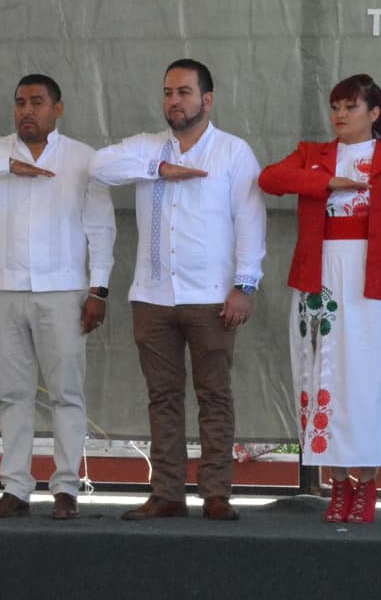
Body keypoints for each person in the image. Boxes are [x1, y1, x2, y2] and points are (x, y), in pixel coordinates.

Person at [91, 60, 267, 522]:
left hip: (212, 296)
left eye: (185, 92)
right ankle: (167, 493)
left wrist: (244, 286)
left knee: (215, 394)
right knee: (162, 397)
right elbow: (99, 165)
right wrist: (159, 168)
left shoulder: (232, 152)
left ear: (207, 100)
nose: (175, 101)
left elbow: (251, 221)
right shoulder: (147, 148)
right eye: (169, 92)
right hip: (152, 295)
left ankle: (216, 492)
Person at [0, 74, 116, 520]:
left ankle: (66, 488)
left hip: (63, 291)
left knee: (66, 394)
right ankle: (16, 486)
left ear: (58, 108)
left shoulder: (82, 159)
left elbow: (101, 229)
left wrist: (99, 289)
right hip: (3, 291)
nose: (27, 111)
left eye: (37, 102)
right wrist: (7, 165)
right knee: (12, 394)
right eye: (20, 102)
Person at [259, 75, 381, 524]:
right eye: (336, 106)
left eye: (351, 107)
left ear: (375, 113)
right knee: (322, 370)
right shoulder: (313, 156)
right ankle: (338, 483)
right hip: (320, 276)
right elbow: (270, 179)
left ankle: (367, 483)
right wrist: (326, 183)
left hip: (377, 281)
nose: (340, 115)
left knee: (368, 378)